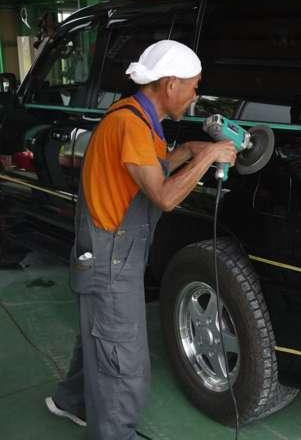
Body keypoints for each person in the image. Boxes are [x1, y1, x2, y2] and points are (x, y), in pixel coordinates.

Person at [44, 40, 236, 439]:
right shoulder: (131, 125)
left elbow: (150, 167)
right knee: (122, 360)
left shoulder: (137, 118)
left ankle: (71, 401)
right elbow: (163, 196)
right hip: (111, 258)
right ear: (169, 84)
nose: (196, 94)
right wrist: (208, 157)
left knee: (100, 336)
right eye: (194, 85)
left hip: (101, 251)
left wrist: (187, 150)